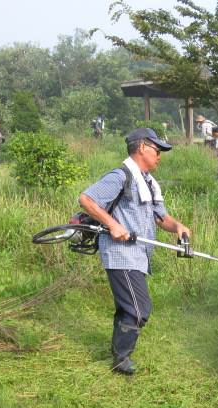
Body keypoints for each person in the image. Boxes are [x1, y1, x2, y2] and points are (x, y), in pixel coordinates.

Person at [78, 127, 191, 375]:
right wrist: (114, 224)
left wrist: (179, 227)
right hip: (121, 252)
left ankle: (119, 354)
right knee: (139, 308)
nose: (160, 156)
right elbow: (87, 199)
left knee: (127, 307)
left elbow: (161, 217)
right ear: (142, 148)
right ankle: (121, 359)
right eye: (157, 150)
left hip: (139, 254)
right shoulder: (121, 175)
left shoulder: (148, 182)